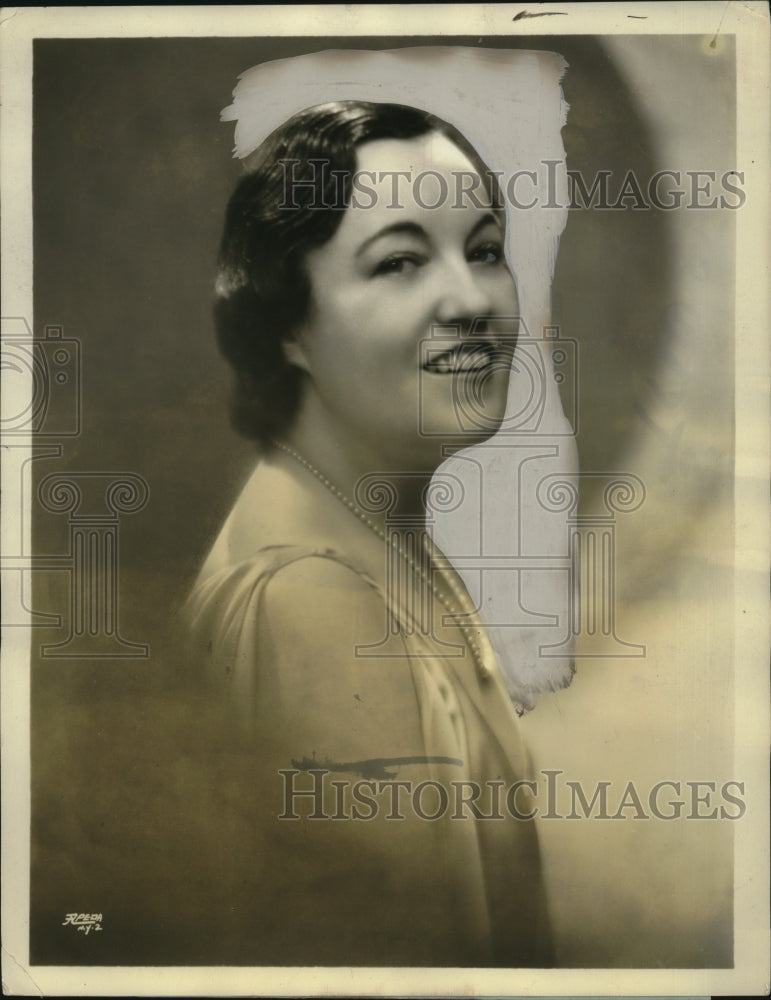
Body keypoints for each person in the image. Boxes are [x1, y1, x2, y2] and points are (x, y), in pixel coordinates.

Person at [184, 100, 555, 967]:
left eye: (486, 250)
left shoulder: (386, 546)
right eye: (399, 262)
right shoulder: (309, 602)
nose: (469, 299)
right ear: (288, 323)